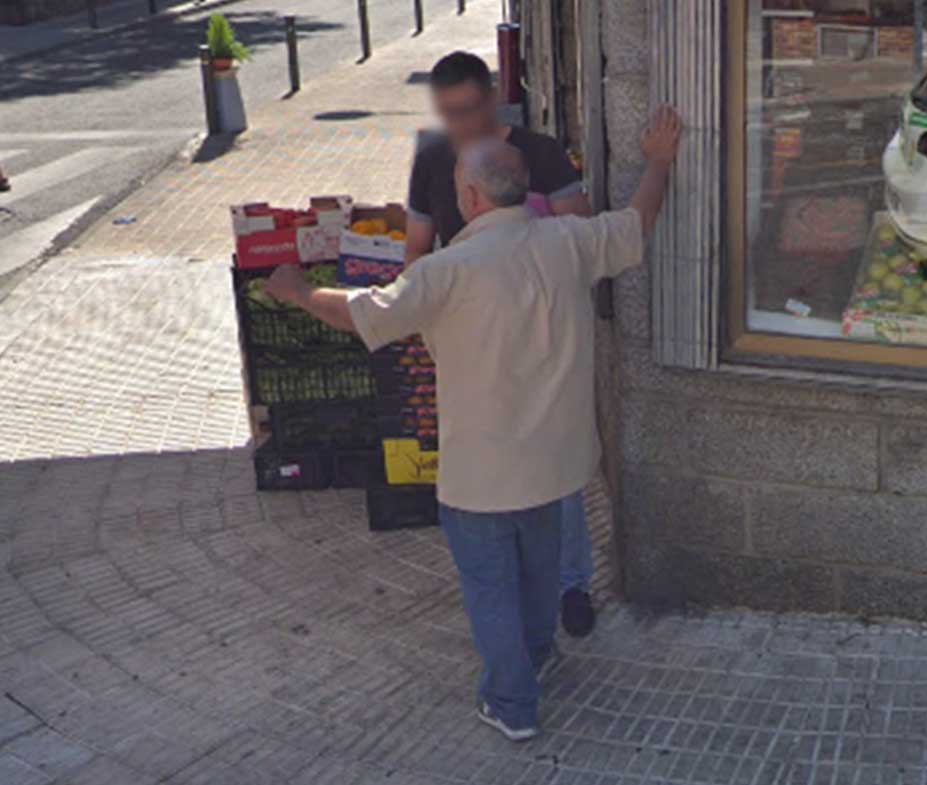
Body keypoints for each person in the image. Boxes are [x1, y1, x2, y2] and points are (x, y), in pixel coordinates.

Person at [264, 107, 682, 741]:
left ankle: (512, 704)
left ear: (468, 195)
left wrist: (296, 291)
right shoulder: (569, 243)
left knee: (491, 585)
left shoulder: (446, 272)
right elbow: (639, 221)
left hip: (482, 476)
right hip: (557, 462)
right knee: (541, 570)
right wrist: (660, 159)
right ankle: (538, 655)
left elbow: (363, 314)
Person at [409, 51, 599, 637]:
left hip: (542, 330)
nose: (461, 124)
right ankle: (519, 589)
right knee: (495, 461)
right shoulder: (432, 160)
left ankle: (571, 584)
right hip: (474, 332)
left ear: (492, 97)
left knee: (555, 455)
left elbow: (583, 234)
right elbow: (416, 246)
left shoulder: (538, 153)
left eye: (468, 109)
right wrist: (427, 310)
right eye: (448, 114)